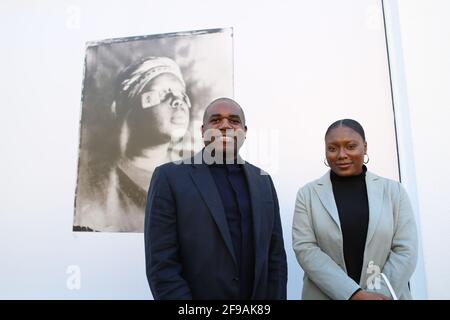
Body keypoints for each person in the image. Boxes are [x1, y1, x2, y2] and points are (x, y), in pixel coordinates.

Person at [144, 97, 287, 299]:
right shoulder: (169, 178)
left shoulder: (263, 181)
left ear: (244, 132)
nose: (225, 126)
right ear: (203, 131)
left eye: (234, 121)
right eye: (216, 120)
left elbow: (276, 258)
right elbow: (161, 263)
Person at [292, 119, 418, 300]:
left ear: (365, 147)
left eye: (351, 146)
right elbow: (305, 249)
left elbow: (406, 249)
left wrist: (376, 295)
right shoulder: (308, 194)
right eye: (333, 148)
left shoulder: (393, 191)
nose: (341, 155)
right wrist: (353, 295)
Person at [74, 56, 191, 232]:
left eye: (182, 94)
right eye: (163, 93)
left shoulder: (193, 173)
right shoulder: (94, 187)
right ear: (131, 111)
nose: (178, 101)